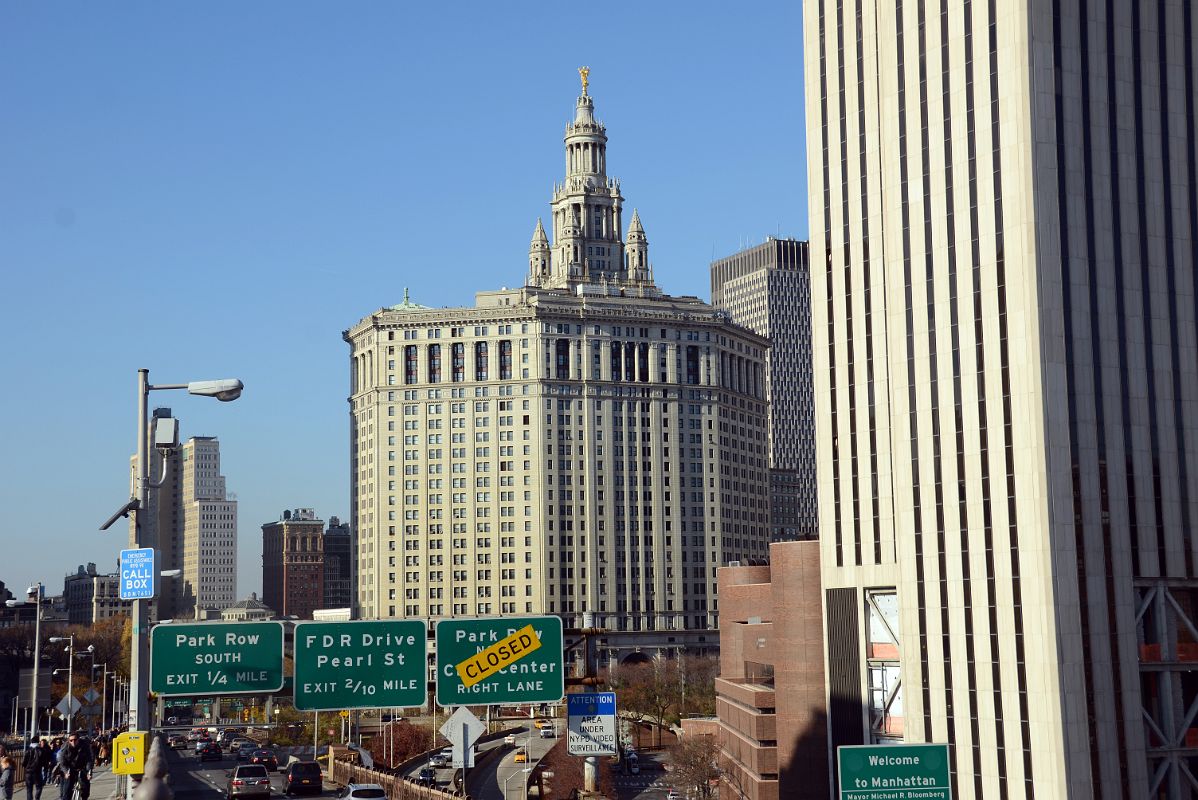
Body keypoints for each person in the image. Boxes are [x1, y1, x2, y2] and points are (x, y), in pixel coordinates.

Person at [57, 735, 91, 800]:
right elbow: (62, 762)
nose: (73, 742)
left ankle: (84, 797)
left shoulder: (84, 746)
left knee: (85, 786)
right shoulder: (65, 747)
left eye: (75, 740)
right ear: (68, 741)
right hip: (69, 768)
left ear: (78, 740)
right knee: (67, 791)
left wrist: (89, 771)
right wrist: (66, 772)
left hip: (81, 767)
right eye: (71, 740)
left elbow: (88, 760)